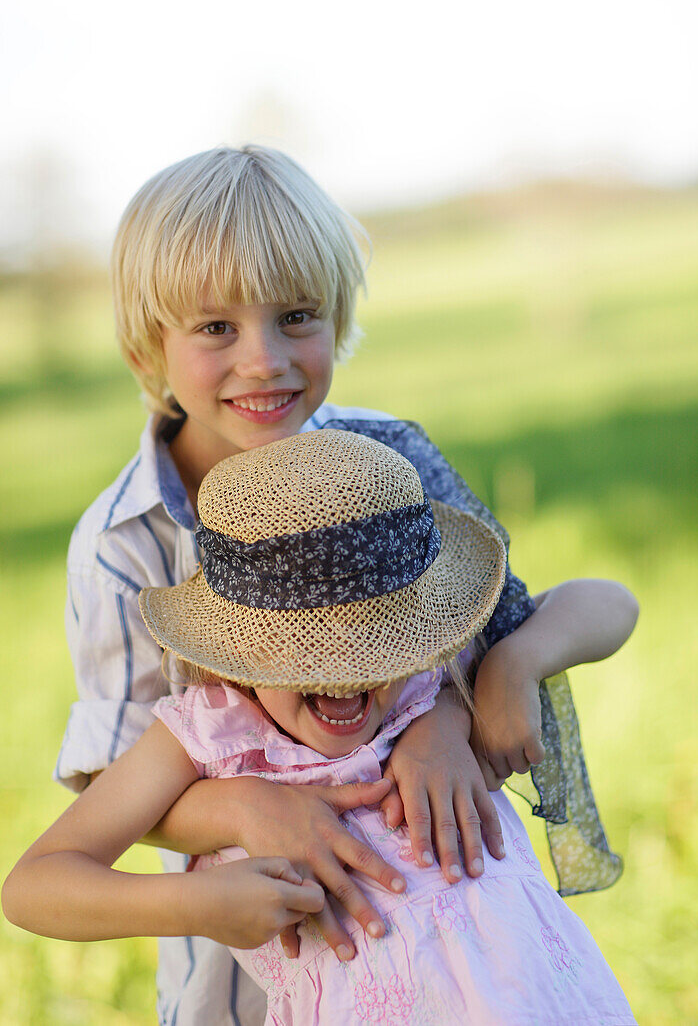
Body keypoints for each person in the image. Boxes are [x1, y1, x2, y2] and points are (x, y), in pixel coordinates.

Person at [49, 145, 636, 1024]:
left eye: (296, 316)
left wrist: (470, 700)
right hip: (263, 955)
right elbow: (113, 790)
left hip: (474, 953)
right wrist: (250, 806)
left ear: (339, 315)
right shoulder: (124, 544)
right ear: (149, 345)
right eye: (216, 328)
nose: (264, 361)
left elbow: (512, 616)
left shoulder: (384, 465)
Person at [3, 431, 637, 1025]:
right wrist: (197, 905)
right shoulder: (210, 737)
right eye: (305, 646)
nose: (348, 674)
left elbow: (612, 602)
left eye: (376, 639)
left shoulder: (430, 681)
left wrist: (510, 664)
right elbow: (34, 885)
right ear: (238, 646)